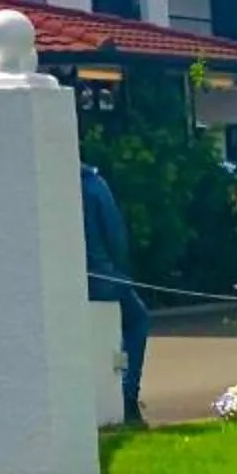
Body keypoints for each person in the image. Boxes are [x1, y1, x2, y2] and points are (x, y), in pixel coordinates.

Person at [81, 160, 148, 426]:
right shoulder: (93, 185)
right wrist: (122, 273)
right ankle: (127, 394)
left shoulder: (50, 184)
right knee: (138, 320)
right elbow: (115, 238)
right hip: (100, 278)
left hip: (66, 280)